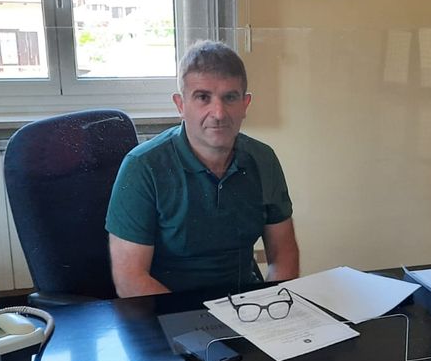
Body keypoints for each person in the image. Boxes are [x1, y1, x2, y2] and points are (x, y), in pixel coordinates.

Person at [106, 40, 299, 296]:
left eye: (230, 97)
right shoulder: (143, 166)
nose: (218, 113)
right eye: (203, 97)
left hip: (245, 307)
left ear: (245, 104)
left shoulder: (263, 159)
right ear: (180, 105)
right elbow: (130, 279)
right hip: (167, 308)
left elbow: (284, 254)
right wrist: (199, 317)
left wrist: (271, 304)